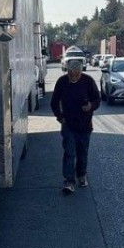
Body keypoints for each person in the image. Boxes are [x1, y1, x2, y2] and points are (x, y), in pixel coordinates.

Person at [50, 60, 101, 194]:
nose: (73, 77)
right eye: (71, 74)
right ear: (67, 71)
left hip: (85, 125)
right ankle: (69, 181)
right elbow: (54, 102)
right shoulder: (62, 82)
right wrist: (60, 117)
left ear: (81, 72)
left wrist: (90, 106)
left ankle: (81, 175)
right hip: (68, 124)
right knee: (69, 153)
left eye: (76, 75)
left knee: (82, 153)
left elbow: (97, 99)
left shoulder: (88, 81)